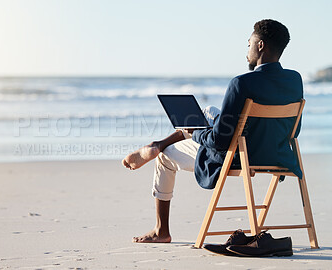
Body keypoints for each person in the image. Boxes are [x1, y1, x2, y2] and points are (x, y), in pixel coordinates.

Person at [122, 19, 303, 243]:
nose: (246, 50)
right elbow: (294, 131)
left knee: (165, 158)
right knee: (209, 111)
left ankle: (161, 229)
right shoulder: (295, 80)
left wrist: (195, 132)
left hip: (239, 156)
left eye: (249, 43)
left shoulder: (241, 83)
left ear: (260, 45)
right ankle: (162, 142)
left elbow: (219, 141)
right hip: (277, 154)